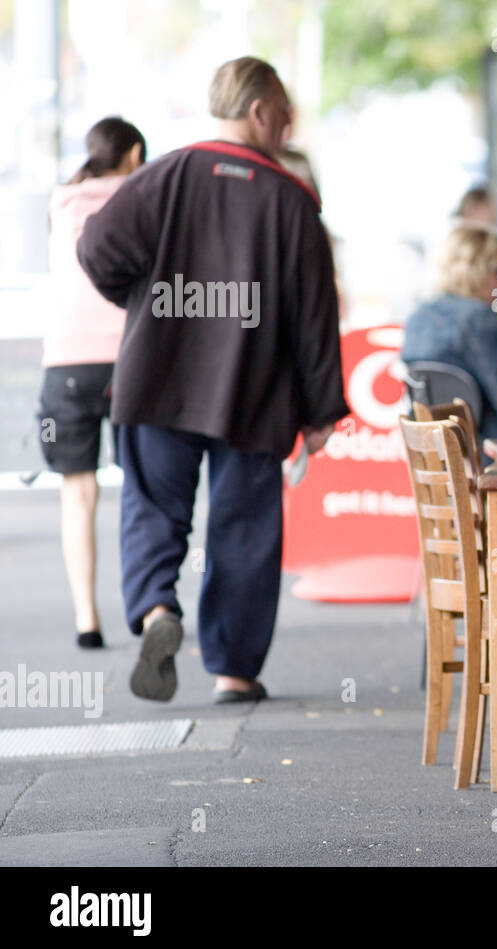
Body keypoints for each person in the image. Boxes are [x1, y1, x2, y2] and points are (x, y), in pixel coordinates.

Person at [78, 56, 348, 704]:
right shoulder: (291, 198)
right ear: (260, 111)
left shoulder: (164, 175)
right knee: (245, 527)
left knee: (152, 507)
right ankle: (233, 669)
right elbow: (315, 317)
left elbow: (96, 250)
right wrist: (319, 414)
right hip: (253, 394)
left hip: (157, 378)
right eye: (285, 112)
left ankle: (155, 612)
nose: (288, 125)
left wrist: (148, 303)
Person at [39, 116, 146, 649]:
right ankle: (149, 610)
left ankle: (87, 618)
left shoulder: (61, 203)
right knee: (143, 488)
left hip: (68, 364)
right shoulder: (141, 196)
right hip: (132, 358)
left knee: (77, 492)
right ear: (134, 155)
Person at [400, 225, 497, 438]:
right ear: (478, 272)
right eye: (496, 271)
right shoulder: (480, 319)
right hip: (491, 456)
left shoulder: (418, 317)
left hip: (440, 454)